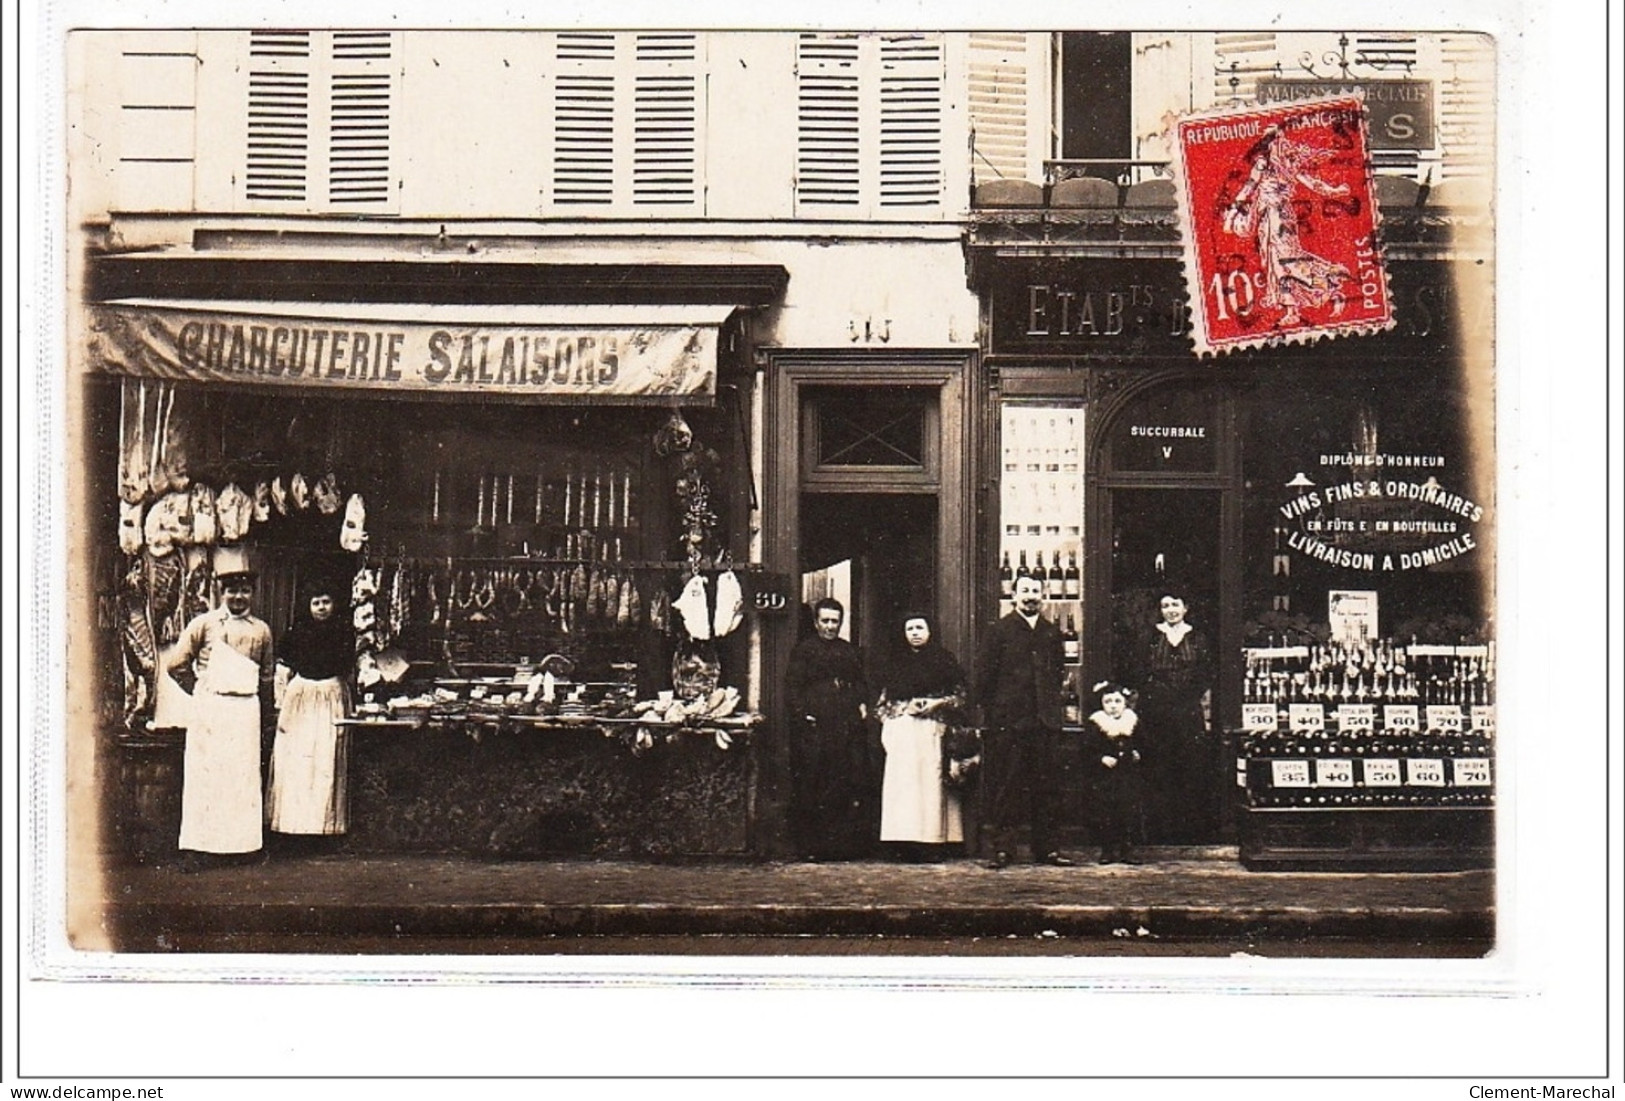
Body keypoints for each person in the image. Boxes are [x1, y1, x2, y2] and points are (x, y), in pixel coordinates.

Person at [164, 569, 275, 867]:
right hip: (211, 710)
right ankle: (197, 849)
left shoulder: (261, 630)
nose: (238, 597)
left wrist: (266, 716)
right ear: (221, 593)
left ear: (252, 594)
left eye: (244, 591)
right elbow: (176, 665)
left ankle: (243, 848)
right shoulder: (204, 624)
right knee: (206, 778)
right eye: (231, 591)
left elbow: (266, 677)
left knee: (242, 778)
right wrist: (202, 691)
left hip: (245, 711)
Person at [974, 574, 1072, 868]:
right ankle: (1003, 850)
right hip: (1009, 725)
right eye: (1025, 591)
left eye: (1035, 591)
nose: (1030, 596)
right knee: (1007, 787)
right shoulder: (999, 631)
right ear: (1013, 596)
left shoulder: (1051, 632)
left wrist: (1051, 710)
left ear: (1043, 595)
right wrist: (995, 718)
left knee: (1047, 788)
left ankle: (1048, 850)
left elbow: (1056, 675)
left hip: (1044, 722)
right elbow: (984, 679)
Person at [1223, 124, 1354, 328]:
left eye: (1276, 140)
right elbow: (1250, 187)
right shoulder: (1271, 164)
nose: (1277, 144)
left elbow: (1249, 188)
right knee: (1277, 265)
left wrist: (1335, 192)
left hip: (1277, 217)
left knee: (1286, 262)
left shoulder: (1277, 164)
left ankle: (1328, 281)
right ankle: (1292, 310)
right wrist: (1335, 191)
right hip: (1272, 218)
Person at [267, 580, 354, 850]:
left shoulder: (344, 631)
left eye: (326, 602)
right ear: (308, 606)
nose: (321, 608)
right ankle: (291, 828)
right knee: (296, 760)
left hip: (330, 695)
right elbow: (283, 669)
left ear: (334, 604)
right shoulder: (298, 631)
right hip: (301, 698)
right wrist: (280, 704)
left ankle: (325, 829)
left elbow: (350, 666)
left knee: (326, 759)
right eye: (316, 603)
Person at [783, 598, 871, 861]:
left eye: (835, 621)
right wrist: (803, 715)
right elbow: (793, 687)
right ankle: (812, 848)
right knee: (813, 784)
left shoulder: (848, 651)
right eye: (825, 621)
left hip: (844, 727)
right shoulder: (804, 650)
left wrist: (862, 705)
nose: (830, 626)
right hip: (816, 728)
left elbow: (860, 683)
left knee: (843, 784)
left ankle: (841, 848)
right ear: (816, 622)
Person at [875, 613, 967, 861]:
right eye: (910, 628)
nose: (914, 633)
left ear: (930, 631)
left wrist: (935, 703)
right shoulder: (895, 662)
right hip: (903, 732)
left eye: (919, 627)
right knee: (904, 789)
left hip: (931, 730)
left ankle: (931, 843)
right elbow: (882, 703)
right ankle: (902, 843)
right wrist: (898, 714)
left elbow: (960, 697)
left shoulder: (944, 660)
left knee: (930, 787)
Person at [1133, 592, 1216, 842]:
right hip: (1154, 713)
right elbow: (1137, 669)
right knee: (1157, 768)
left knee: (1188, 768)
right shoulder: (1148, 636)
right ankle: (1157, 832)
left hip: (1187, 712)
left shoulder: (1198, 637)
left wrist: (1188, 696)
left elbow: (1206, 672)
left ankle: (1186, 833)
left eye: (1175, 605)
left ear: (1186, 607)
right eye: (1165, 605)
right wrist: (1156, 695)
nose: (1171, 610)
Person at [1083, 681, 1144, 864]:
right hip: (1105, 778)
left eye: (1117, 701)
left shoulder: (1132, 721)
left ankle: (1127, 849)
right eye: (1108, 702)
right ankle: (1107, 850)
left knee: (1128, 811)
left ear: (1125, 703)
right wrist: (1101, 758)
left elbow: (1144, 743)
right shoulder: (1097, 723)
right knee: (1105, 813)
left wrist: (1137, 753)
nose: (1113, 706)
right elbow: (1087, 749)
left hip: (1127, 776)